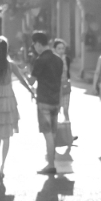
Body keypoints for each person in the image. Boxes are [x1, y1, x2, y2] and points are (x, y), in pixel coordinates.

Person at [0, 36, 35, 179]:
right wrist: (32, 92)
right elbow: (23, 81)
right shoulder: (10, 65)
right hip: (8, 101)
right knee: (7, 135)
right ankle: (2, 165)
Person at [25, 31, 63, 175]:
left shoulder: (40, 60)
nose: (34, 48)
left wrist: (24, 73)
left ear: (39, 44)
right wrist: (59, 102)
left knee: (47, 134)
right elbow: (60, 82)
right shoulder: (58, 60)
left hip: (43, 101)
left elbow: (31, 81)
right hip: (55, 101)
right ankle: (51, 163)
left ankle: (51, 165)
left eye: (34, 45)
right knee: (52, 134)